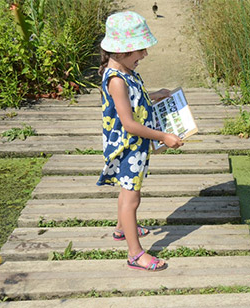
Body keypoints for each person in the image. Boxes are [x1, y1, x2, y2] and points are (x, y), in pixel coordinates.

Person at [96, 11, 183, 271]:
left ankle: (123, 228)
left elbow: (136, 101)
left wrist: (156, 95)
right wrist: (164, 137)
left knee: (127, 192)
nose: (144, 55)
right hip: (127, 146)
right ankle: (135, 254)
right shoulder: (116, 81)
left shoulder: (125, 71)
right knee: (132, 198)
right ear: (122, 51)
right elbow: (129, 123)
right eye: (140, 49)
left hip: (133, 145)